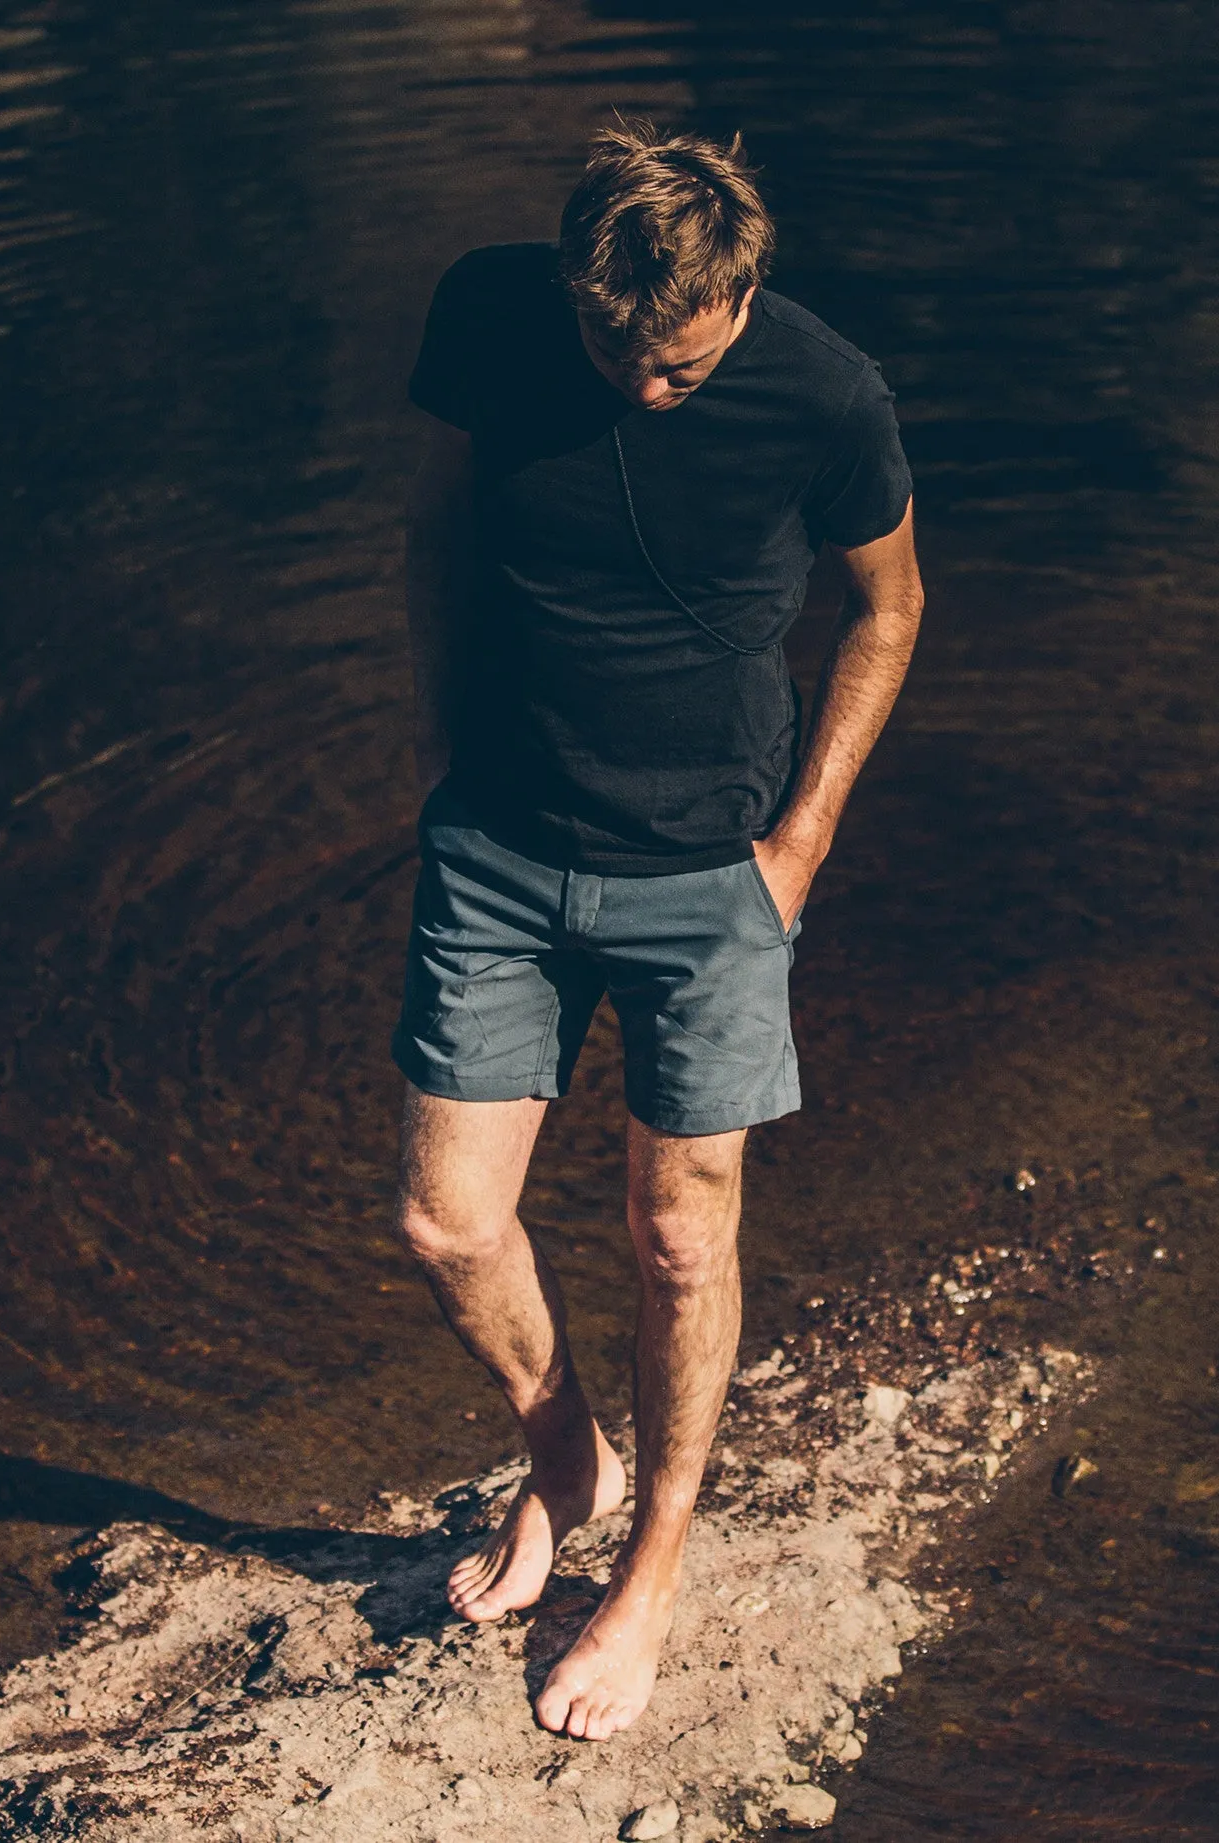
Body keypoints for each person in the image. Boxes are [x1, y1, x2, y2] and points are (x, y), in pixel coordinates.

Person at [391, 119, 924, 1742]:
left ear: (743, 295)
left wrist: (801, 841)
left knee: (678, 1236)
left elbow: (887, 608)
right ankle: (568, 1457)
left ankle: (651, 1569)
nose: (642, 387)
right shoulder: (490, 313)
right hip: (498, 846)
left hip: (710, 878)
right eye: (613, 352)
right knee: (447, 1221)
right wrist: (438, 751)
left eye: (680, 366)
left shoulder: (827, 395)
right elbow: (434, 531)